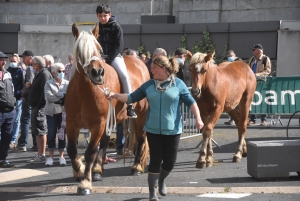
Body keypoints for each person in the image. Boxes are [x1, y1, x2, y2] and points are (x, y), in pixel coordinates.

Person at [105, 55, 204, 201]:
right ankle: (152, 192)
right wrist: (114, 95)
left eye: (154, 68)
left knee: (170, 162)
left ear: (163, 69)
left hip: (173, 130)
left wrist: (198, 118)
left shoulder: (179, 84)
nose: (151, 70)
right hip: (152, 130)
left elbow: (191, 102)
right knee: (155, 160)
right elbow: (131, 97)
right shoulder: (149, 85)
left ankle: (162, 180)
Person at [96, 4, 137, 118]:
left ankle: (130, 105)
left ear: (110, 15)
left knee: (124, 76)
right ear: (97, 16)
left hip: (114, 56)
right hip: (100, 56)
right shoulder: (97, 27)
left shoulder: (116, 27)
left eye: (105, 15)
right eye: (100, 16)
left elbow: (119, 46)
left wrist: (108, 58)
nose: (103, 18)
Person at [28, 56, 52, 163]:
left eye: (32, 64)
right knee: (37, 130)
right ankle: (39, 153)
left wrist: (39, 106)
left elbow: (45, 92)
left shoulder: (44, 74)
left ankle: (42, 154)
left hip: (40, 108)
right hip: (36, 107)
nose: (32, 66)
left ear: (37, 65)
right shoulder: (40, 74)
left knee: (41, 130)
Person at [44, 63, 68, 166]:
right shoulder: (48, 83)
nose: (62, 73)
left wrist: (57, 95)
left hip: (63, 113)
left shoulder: (67, 83)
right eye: (59, 71)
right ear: (53, 73)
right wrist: (62, 96)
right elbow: (49, 97)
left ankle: (61, 156)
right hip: (51, 112)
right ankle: (50, 157)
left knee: (62, 135)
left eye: (63, 71)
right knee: (51, 134)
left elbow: (69, 96)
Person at [16, 50, 37, 152]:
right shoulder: (38, 68)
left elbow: (29, 84)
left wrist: (24, 94)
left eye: (24, 58)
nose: (22, 60)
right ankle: (36, 144)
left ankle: (22, 143)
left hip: (28, 99)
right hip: (34, 99)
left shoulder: (29, 69)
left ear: (30, 58)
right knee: (33, 121)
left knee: (25, 121)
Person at [248, 44, 271, 126]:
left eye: (254, 49)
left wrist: (258, 75)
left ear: (259, 50)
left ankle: (263, 119)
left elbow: (267, 71)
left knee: (262, 100)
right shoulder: (252, 59)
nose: (252, 51)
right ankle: (252, 119)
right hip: (252, 82)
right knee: (252, 100)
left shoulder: (265, 58)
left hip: (261, 82)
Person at [0, 51, 16, 168]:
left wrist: (13, 103)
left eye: (5, 60)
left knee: (7, 136)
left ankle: (2, 159)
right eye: (2, 60)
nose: (4, 62)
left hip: (10, 111)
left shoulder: (7, 74)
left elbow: (12, 90)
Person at [7, 54, 24, 149]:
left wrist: (21, 94)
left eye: (14, 61)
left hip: (18, 99)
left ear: (18, 61)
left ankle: (13, 140)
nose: (12, 63)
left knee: (17, 120)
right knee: (8, 120)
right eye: (11, 61)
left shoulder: (21, 71)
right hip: (8, 99)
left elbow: (23, 84)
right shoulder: (8, 71)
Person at [224, 50, 242, 126]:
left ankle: (240, 119)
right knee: (230, 104)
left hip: (238, 84)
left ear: (235, 56)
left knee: (238, 104)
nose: (229, 57)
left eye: (231, 56)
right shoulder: (226, 63)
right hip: (230, 85)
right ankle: (232, 119)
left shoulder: (239, 62)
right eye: (228, 56)